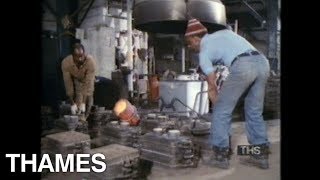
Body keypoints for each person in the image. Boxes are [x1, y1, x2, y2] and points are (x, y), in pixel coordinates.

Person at [184, 18, 270, 169]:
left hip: (243, 66)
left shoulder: (204, 52)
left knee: (221, 112)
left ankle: (220, 157)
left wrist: (218, 104)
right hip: (262, 62)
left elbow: (212, 87)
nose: (191, 47)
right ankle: (260, 155)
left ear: (195, 38)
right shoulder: (224, 33)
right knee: (254, 111)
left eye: (190, 43)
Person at [61, 43, 97, 119]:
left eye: (82, 56)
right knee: (78, 102)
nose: (80, 59)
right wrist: (72, 103)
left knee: (88, 101)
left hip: (87, 80)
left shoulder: (90, 62)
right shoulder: (66, 63)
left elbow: (87, 83)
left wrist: (84, 103)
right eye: (78, 57)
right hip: (77, 79)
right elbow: (68, 84)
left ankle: (85, 119)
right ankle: (79, 119)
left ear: (84, 53)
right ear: (72, 56)